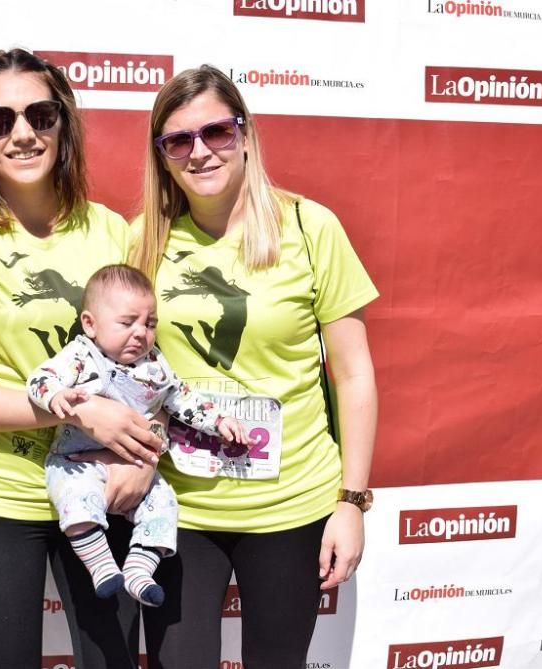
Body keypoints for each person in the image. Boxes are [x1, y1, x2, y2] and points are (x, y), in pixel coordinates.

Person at [0, 49, 161, 669]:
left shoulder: (114, 232)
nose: (23, 133)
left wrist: (146, 451)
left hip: (107, 489)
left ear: (65, 123)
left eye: (40, 114)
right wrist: (84, 415)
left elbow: (154, 370)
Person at [134, 65, 379, 669]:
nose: (200, 152)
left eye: (216, 131)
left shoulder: (309, 227)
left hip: (292, 506)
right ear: (162, 156)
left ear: (245, 135)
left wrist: (352, 500)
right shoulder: (143, 240)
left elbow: (353, 374)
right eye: (178, 140)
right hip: (179, 507)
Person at [27, 263, 250, 608]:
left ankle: (138, 569)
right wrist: (55, 396)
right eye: (127, 322)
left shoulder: (155, 364)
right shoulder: (81, 356)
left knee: (164, 504)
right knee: (76, 498)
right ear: (90, 324)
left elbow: (181, 397)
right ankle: (100, 564)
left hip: (135, 465)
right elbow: (39, 380)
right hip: (77, 463)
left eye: (149, 324)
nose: (140, 333)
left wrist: (218, 420)